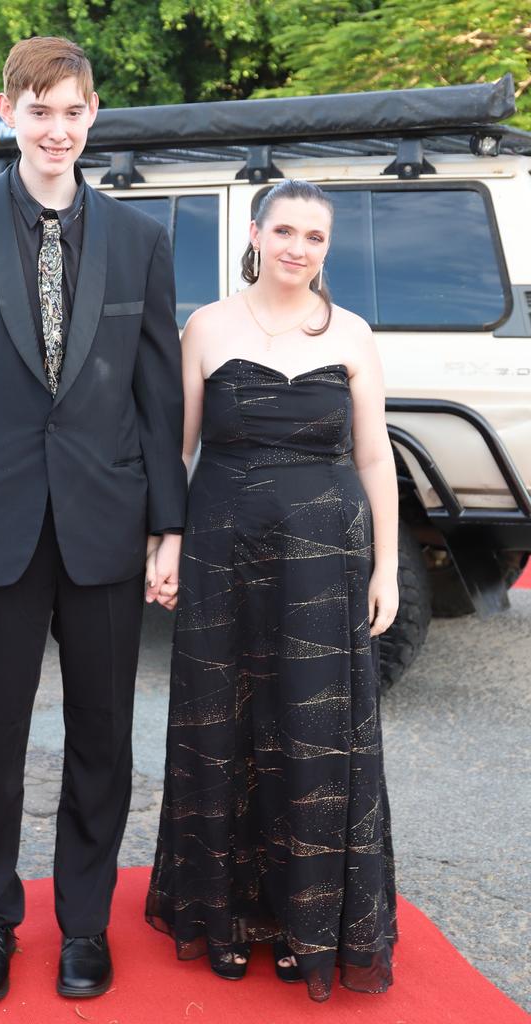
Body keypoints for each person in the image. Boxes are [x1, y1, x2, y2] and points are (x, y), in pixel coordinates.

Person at [0, 36, 185, 1004]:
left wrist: (167, 526)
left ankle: (86, 928)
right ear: (8, 113)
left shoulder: (141, 241)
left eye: (74, 111)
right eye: (39, 110)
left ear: (93, 115)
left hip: (104, 524)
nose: (57, 130)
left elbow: (155, 396)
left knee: (104, 737)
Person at [146, 179, 399, 1002]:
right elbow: (177, 451)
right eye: (284, 230)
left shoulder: (354, 335)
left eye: (314, 236)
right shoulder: (208, 327)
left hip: (326, 561)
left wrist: (388, 567)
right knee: (225, 728)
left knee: (312, 734)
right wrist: (168, 544)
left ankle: (304, 924)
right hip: (223, 553)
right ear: (255, 233)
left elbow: (373, 461)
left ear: (328, 247)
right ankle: (225, 918)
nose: (297, 248)